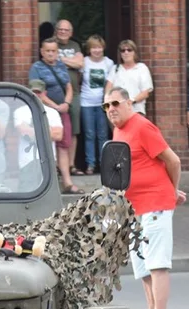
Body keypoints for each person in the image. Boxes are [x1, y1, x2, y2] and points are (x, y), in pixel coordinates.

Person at [105, 87, 185, 309]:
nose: (111, 109)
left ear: (129, 103)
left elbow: (173, 160)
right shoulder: (119, 131)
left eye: (115, 103)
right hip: (134, 207)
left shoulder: (142, 126)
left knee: (157, 264)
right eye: (106, 106)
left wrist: (172, 190)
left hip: (154, 203)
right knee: (142, 266)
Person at [30, 37, 79, 194]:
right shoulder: (36, 68)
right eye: (48, 51)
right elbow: (37, 92)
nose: (51, 54)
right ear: (42, 52)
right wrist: (55, 106)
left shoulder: (61, 66)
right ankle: (48, 183)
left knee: (64, 146)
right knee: (46, 145)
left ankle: (67, 182)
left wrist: (66, 103)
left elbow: (68, 86)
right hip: (46, 111)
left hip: (63, 111)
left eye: (54, 51)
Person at [14, 79, 65, 188]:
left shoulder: (52, 112)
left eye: (39, 92)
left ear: (44, 93)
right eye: (33, 92)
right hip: (27, 162)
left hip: (49, 161)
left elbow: (58, 135)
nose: (36, 95)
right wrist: (48, 130)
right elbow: (26, 134)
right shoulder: (19, 111)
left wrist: (31, 128)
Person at [80, 36, 115, 174]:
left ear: (103, 48)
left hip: (103, 104)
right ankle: (90, 164)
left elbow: (112, 82)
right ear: (89, 49)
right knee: (89, 134)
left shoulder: (109, 63)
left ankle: (103, 164)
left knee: (103, 134)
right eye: (93, 47)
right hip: (86, 102)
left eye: (99, 47)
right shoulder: (84, 62)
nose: (96, 50)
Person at [54, 19, 85, 171]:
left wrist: (61, 60)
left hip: (75, 93)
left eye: (66, 30)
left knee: (74, 130)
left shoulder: (75, 45)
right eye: (60, 29)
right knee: (55, 128)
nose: (63, 32)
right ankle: (57, 165)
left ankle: (71, 164)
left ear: (71, 33)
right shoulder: (51, 44)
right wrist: (70, 61)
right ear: (56, 30)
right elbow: (50, 60)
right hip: (56, 94)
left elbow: (80, 64)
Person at [105, 40, 153, 115]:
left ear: (134, 52)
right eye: (123, 50)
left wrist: (131, 101)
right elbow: (108, 88)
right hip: (117, 112)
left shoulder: (142, 68)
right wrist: (109, 102)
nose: (126, 52)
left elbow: (145, 92)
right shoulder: (115, 69)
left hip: (136, 110)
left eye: (129, 50)